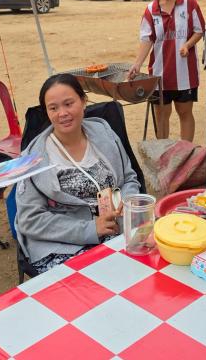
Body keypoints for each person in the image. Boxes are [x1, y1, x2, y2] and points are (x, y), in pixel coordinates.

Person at [14, 74, 141, 273]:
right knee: (100, 284)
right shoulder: (33, 158)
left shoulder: (104, 133)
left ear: (83, 101)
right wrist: (90, 229)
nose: (62, 113)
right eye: (53, 108)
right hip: (64, 245)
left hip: (117, 229)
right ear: (46, 112)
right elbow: (30, 220)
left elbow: (129, 179)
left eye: (68, 103)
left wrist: (124, 204)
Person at [127, 0, 204, 141]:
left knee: (185, 113)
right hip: (159, 73)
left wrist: (188, 45)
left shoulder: (189, 3)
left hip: (186, 73)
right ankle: (164, 155)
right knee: (161, 116)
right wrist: (137, 64)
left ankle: (186, 154)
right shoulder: (150, 10)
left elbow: (200, 30)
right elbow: (146, 39)